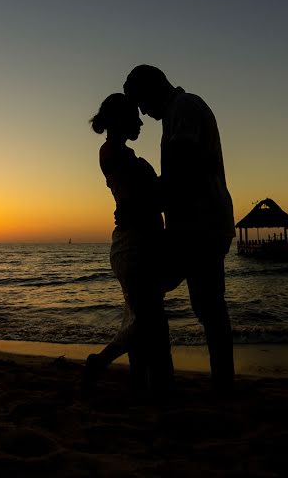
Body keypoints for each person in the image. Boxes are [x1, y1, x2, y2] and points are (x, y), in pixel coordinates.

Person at [123, 64, 236, 392]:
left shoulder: (183, 109)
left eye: (141, 103)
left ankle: (159, 378)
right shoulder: (180, 110)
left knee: (157, 292)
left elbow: (182, 167)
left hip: (200, 225)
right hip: (201, 223)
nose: (143, 112)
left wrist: (147, 201)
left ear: (152, 90)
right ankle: (219, 383)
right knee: (208, 306)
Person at [86, 93, 174, 398]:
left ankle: (142, 385)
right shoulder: (116, 155)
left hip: (134, 242)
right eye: (134, 116)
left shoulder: (116, 153)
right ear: (121, 120)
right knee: (150, 320)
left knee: (141, 317)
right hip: (136, 243)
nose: (139, 121)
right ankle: (103, 362)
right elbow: (147, 199)